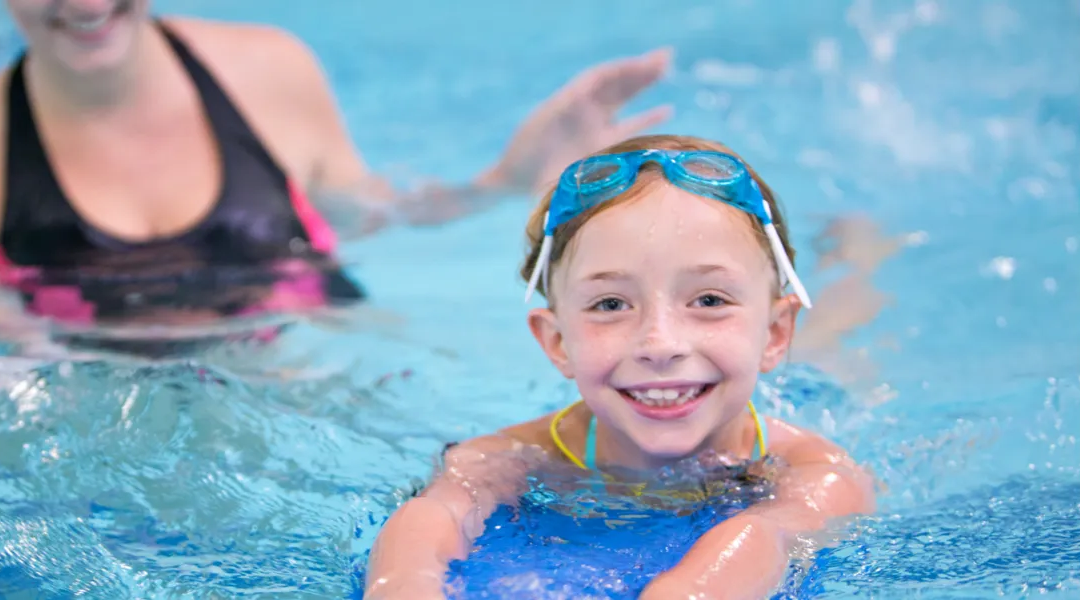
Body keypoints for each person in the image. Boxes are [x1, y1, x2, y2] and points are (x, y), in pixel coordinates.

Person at [0, 0, 674, 355]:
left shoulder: (270, 73)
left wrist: (502, 182)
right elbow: (5, 362)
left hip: (305, 380)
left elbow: (367, 215)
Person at [362, 134, 876, 599]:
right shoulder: (511, 458)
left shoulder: (817, 473)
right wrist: (404, 584)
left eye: (710, 299)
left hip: (815, 388)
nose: (660, 344)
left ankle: (857, 255)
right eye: (610, 304)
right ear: (557, 341)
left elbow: (770, 533)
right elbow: (436, 512)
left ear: (775, 334)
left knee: (834, 344)